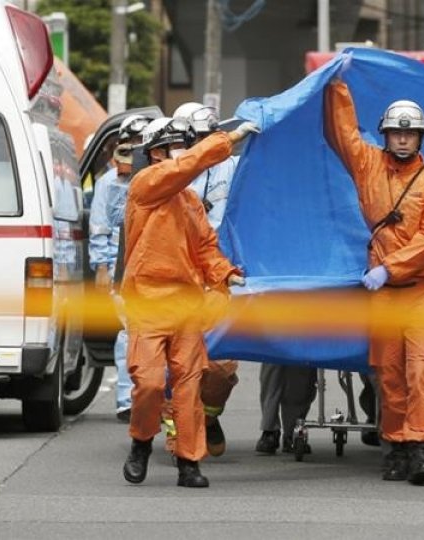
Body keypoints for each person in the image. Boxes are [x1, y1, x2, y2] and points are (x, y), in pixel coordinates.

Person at [324, 75, 424, 485]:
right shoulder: (367, 166)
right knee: (388, 373)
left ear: (421, 138)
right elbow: (342, 133)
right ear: (385, 135)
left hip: (421, 291)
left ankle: (420, 449)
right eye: (396, 132)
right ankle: (395, 446)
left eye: (409, 133)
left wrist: (389, 268)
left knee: (421, 370)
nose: (402, 139)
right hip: (384, 294)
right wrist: (335, 86)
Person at [120, 116, 258, 488]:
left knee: (188, 386)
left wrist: (225, 273)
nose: (184, 152)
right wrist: (224, 140)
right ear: (156, 153)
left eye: (185, 144)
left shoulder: (190, 201)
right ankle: (141, 441)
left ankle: (189, 461)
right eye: (179, 145)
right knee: (148, 384)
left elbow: (205, 249)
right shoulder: (145, 186)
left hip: (185, 303)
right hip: (148, 302)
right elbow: (187, 165)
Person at [171, 102, 242, 458]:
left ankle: (209, 417)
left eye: (209, 136)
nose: (202, 143)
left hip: (220, 274)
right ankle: (180, 440)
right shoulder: (170, 171)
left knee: (220, 366)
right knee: (174, 362)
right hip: (177, 276)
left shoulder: (238, 168)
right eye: (195, 137)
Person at [92, 114, 150, 422]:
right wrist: (101, 266)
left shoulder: (163, 175)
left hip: (156, 267)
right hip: (122, 266)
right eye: (131, 145)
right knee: (129, 333)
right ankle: (128, 400)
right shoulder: (109, 183)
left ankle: (156, 395)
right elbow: (101, 225)